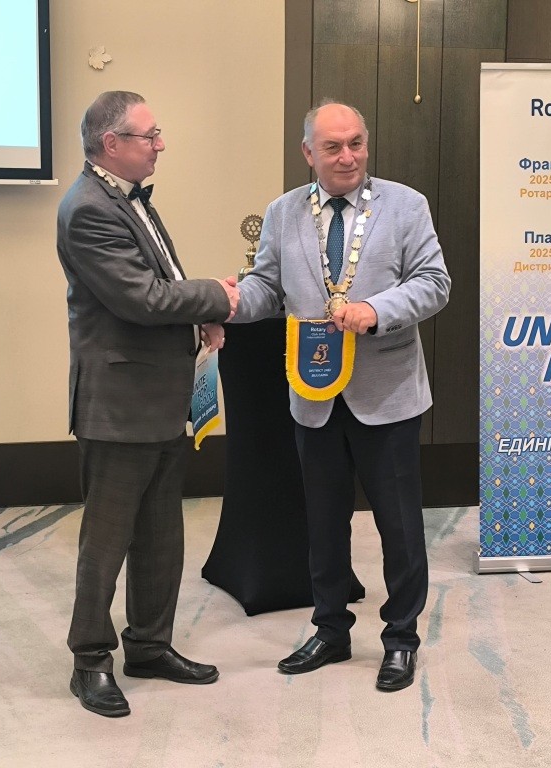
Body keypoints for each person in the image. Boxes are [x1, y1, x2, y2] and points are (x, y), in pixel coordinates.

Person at [229, 100, 450, 692]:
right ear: (308, 153)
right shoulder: (282, 213)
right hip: (314, 394)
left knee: (399, 527)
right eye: (333, 147)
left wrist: (375, 310)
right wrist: (231, 301)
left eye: (356, 143)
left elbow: (435, 283)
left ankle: (401, 638)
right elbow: (267, 287)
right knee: (323, 523)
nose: (348, 156)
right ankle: (330, 629)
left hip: (388, 395)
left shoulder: (406, 205)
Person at [57, 90, 238, 717]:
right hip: (119, 405)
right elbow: (141, 298)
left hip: (160, 397)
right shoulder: (88, 209)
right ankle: (89, 660)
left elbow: (163, 286)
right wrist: (218, 297)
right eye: (149, 134)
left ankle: (149, 646)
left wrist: (200, 319)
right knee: (106, 543)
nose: (161, 144)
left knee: (161, 536)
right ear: (112, 144)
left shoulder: (127, 197)